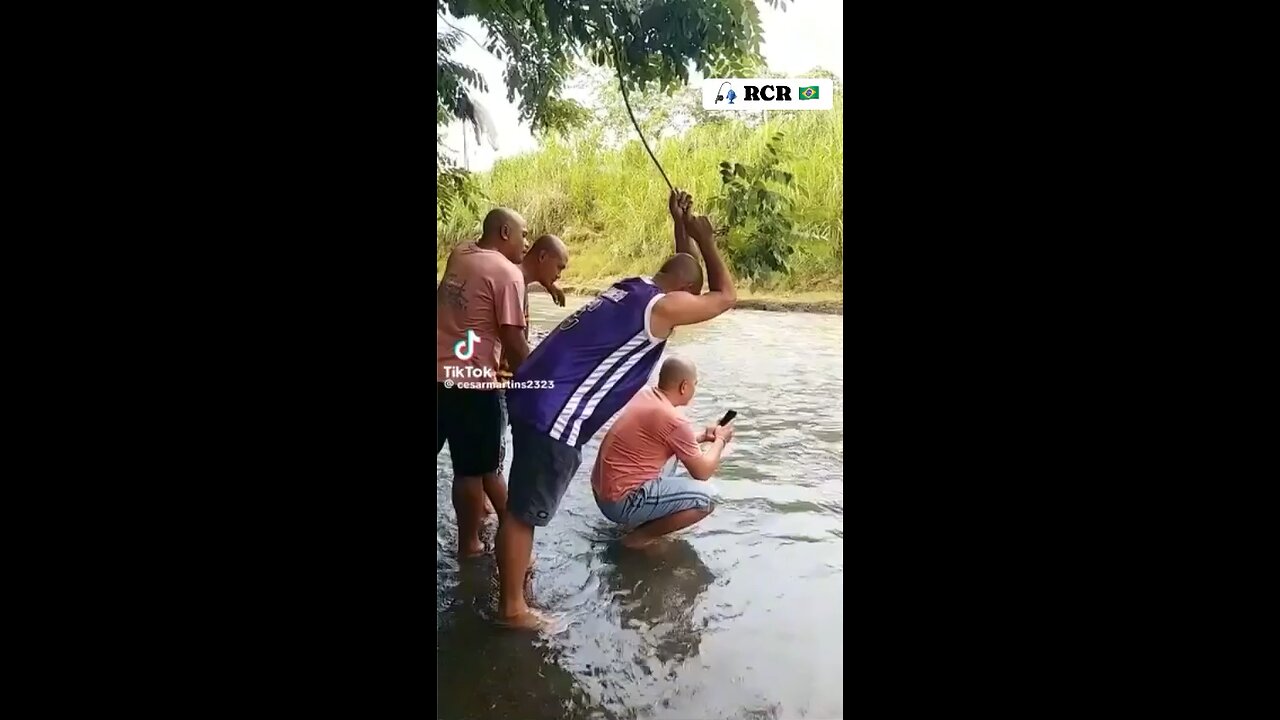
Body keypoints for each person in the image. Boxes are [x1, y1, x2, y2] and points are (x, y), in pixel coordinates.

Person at [494, 190, 737, 628]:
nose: (684, 315)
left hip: (533, 390)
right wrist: (706, 239)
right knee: (522, 514)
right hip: (556, 411)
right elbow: (724, 297)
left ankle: (515, 576)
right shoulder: (661, 306)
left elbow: (681, 271)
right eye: (688, 302)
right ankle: (513, 609)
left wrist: (680, 225)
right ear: (683, 294)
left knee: (522, 506)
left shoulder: (633, 288)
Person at [436, 207, 530, 557]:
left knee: (469, 469)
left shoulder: (460, 253)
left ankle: (473, 539)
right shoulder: (507, 274)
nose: (526, 242)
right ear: (505, 232)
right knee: (472, 470)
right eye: (523, 234)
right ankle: (469, 545)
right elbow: (515, 344)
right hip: (473, 384)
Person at [591, 357, 733, 548]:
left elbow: (666, 438)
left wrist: (703, 437)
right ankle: (640, 537)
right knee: (708, 499)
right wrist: (721, 440)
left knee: (676, 455)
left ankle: (640, 520)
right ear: (684, 387)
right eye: (695, 385)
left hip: (603, 491)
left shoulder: (646, 395)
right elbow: (702, 472)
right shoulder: (674, 420)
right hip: (621, 503)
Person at [477, 234, 571, 517]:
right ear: (542, 257)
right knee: (494, 458)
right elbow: (514, 344)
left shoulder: (517, 279)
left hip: (493, 378)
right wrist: (539, 384)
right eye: (559, 267)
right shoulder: (514, 284)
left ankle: (483, 508)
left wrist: (548, 283)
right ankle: (509, 525)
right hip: (500, 382)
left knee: (484, 453)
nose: (559, 274)